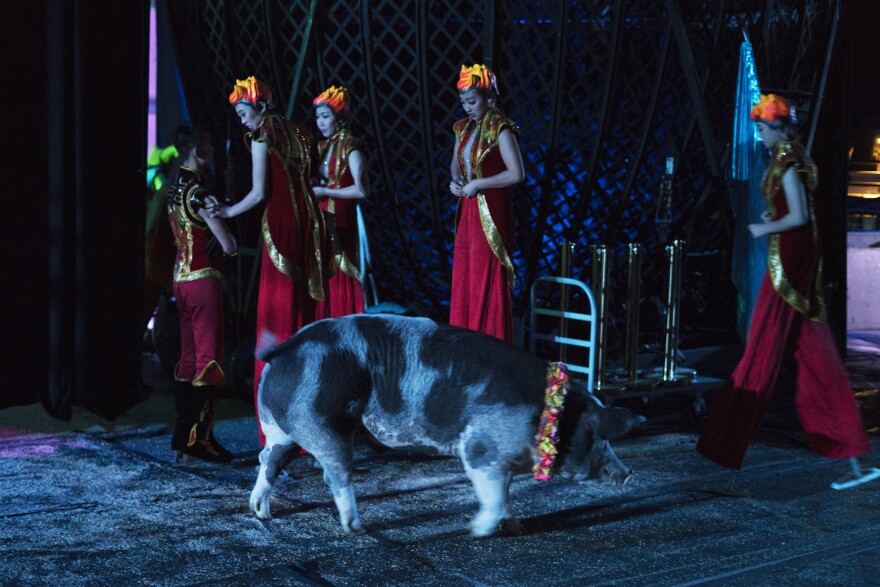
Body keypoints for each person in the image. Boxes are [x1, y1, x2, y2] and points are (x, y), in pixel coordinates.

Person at [696, 93, 869, 473]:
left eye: (762, 128)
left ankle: (723, 446)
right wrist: (772, 213)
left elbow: (800, 217)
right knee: (816, 357)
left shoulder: (789, 161)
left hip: (788, 268)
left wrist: (765, 226)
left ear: (778, 128)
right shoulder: (785, 157)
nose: (758, 134)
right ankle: (847, 446)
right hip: (794, 264)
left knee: (762, 350)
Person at [213, 76, 326, 446]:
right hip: (305, 226)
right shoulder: (299, 132)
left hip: (279, 225)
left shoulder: (263, 135)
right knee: (301, 316)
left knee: (276, 318)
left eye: (245, 112)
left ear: (260, 107)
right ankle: (307, 420)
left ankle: (275, 429)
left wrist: (228, 211)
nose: (243, 121)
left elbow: (260, 191)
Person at [167, 122, 237, 463]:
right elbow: (229, 244)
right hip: (203, 282)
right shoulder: (200, 194)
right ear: (199, 152)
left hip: (180, 281)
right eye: (209, 145)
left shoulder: (174, 189)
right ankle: (201, 438)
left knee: (189, 359)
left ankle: (183, 437)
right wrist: (228, 241)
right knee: (208, 361)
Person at [448, 64, 524, 343]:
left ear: (489, 97)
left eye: (472, 101)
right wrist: (454, 182)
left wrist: (479, 183)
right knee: (464, 273)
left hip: (490, 209)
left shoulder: (500, 129)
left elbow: (516, 173)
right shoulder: (463, 129)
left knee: (484, 274)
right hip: (467, 209)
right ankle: (463, 342)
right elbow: (456, 166)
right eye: (464, 102)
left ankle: (487, 343)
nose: (467, 108)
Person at [312, 85, 369, 318]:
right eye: (318, 117)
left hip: (343, 215)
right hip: (325, 214)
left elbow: (362, 190)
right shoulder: (324, 146)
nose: (320, 122)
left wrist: (327, 193)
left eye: (325, 117)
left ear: (340, 118)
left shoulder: (352, 148)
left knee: (343, 266)